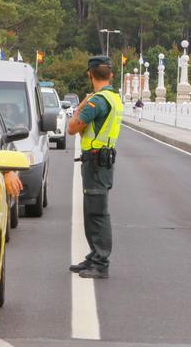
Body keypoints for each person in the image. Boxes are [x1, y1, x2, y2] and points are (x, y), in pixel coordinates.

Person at [67, 55, 124, 280]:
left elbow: (72, 127)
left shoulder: (96, 102)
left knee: (97, 212)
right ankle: (94, 256)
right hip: (101, 161)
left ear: (90, 74)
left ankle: (100, 262)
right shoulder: (113, 98)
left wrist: (82, 103)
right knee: (92, 210)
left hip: (96, 162)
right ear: (110, 74)